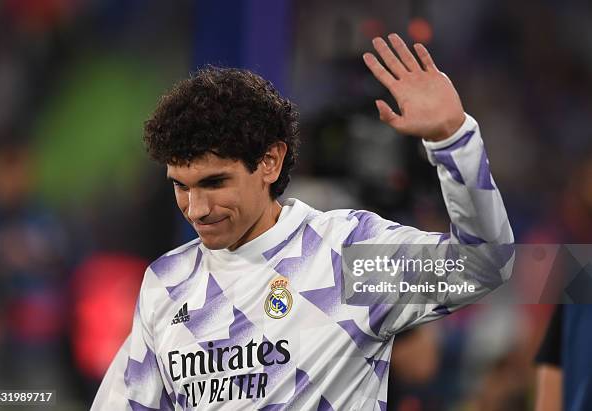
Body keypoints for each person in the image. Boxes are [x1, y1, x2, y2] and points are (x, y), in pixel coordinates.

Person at [91, 33, 514, 410]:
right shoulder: (166, 283)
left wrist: (454, 139)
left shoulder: (348, 254)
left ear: (270, 162)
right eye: (180, 186)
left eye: (215, 182)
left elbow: (484, 263)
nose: (196, 208)